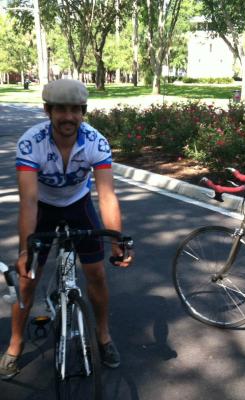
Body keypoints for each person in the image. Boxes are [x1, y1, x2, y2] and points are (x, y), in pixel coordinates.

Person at [0, 79, 133, 379]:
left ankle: (103, 336)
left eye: (76, 110)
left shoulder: (96, 142)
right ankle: (16, 344)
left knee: (96, 273)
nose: (69, 116)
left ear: (83, 112)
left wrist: (117, 241)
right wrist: (24, 250)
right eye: (61, 109)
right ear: (48, 110)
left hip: (77, 204)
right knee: (27, 279)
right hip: (43, 207)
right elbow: (28, 201)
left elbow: (107, 196)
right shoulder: (31, 143)